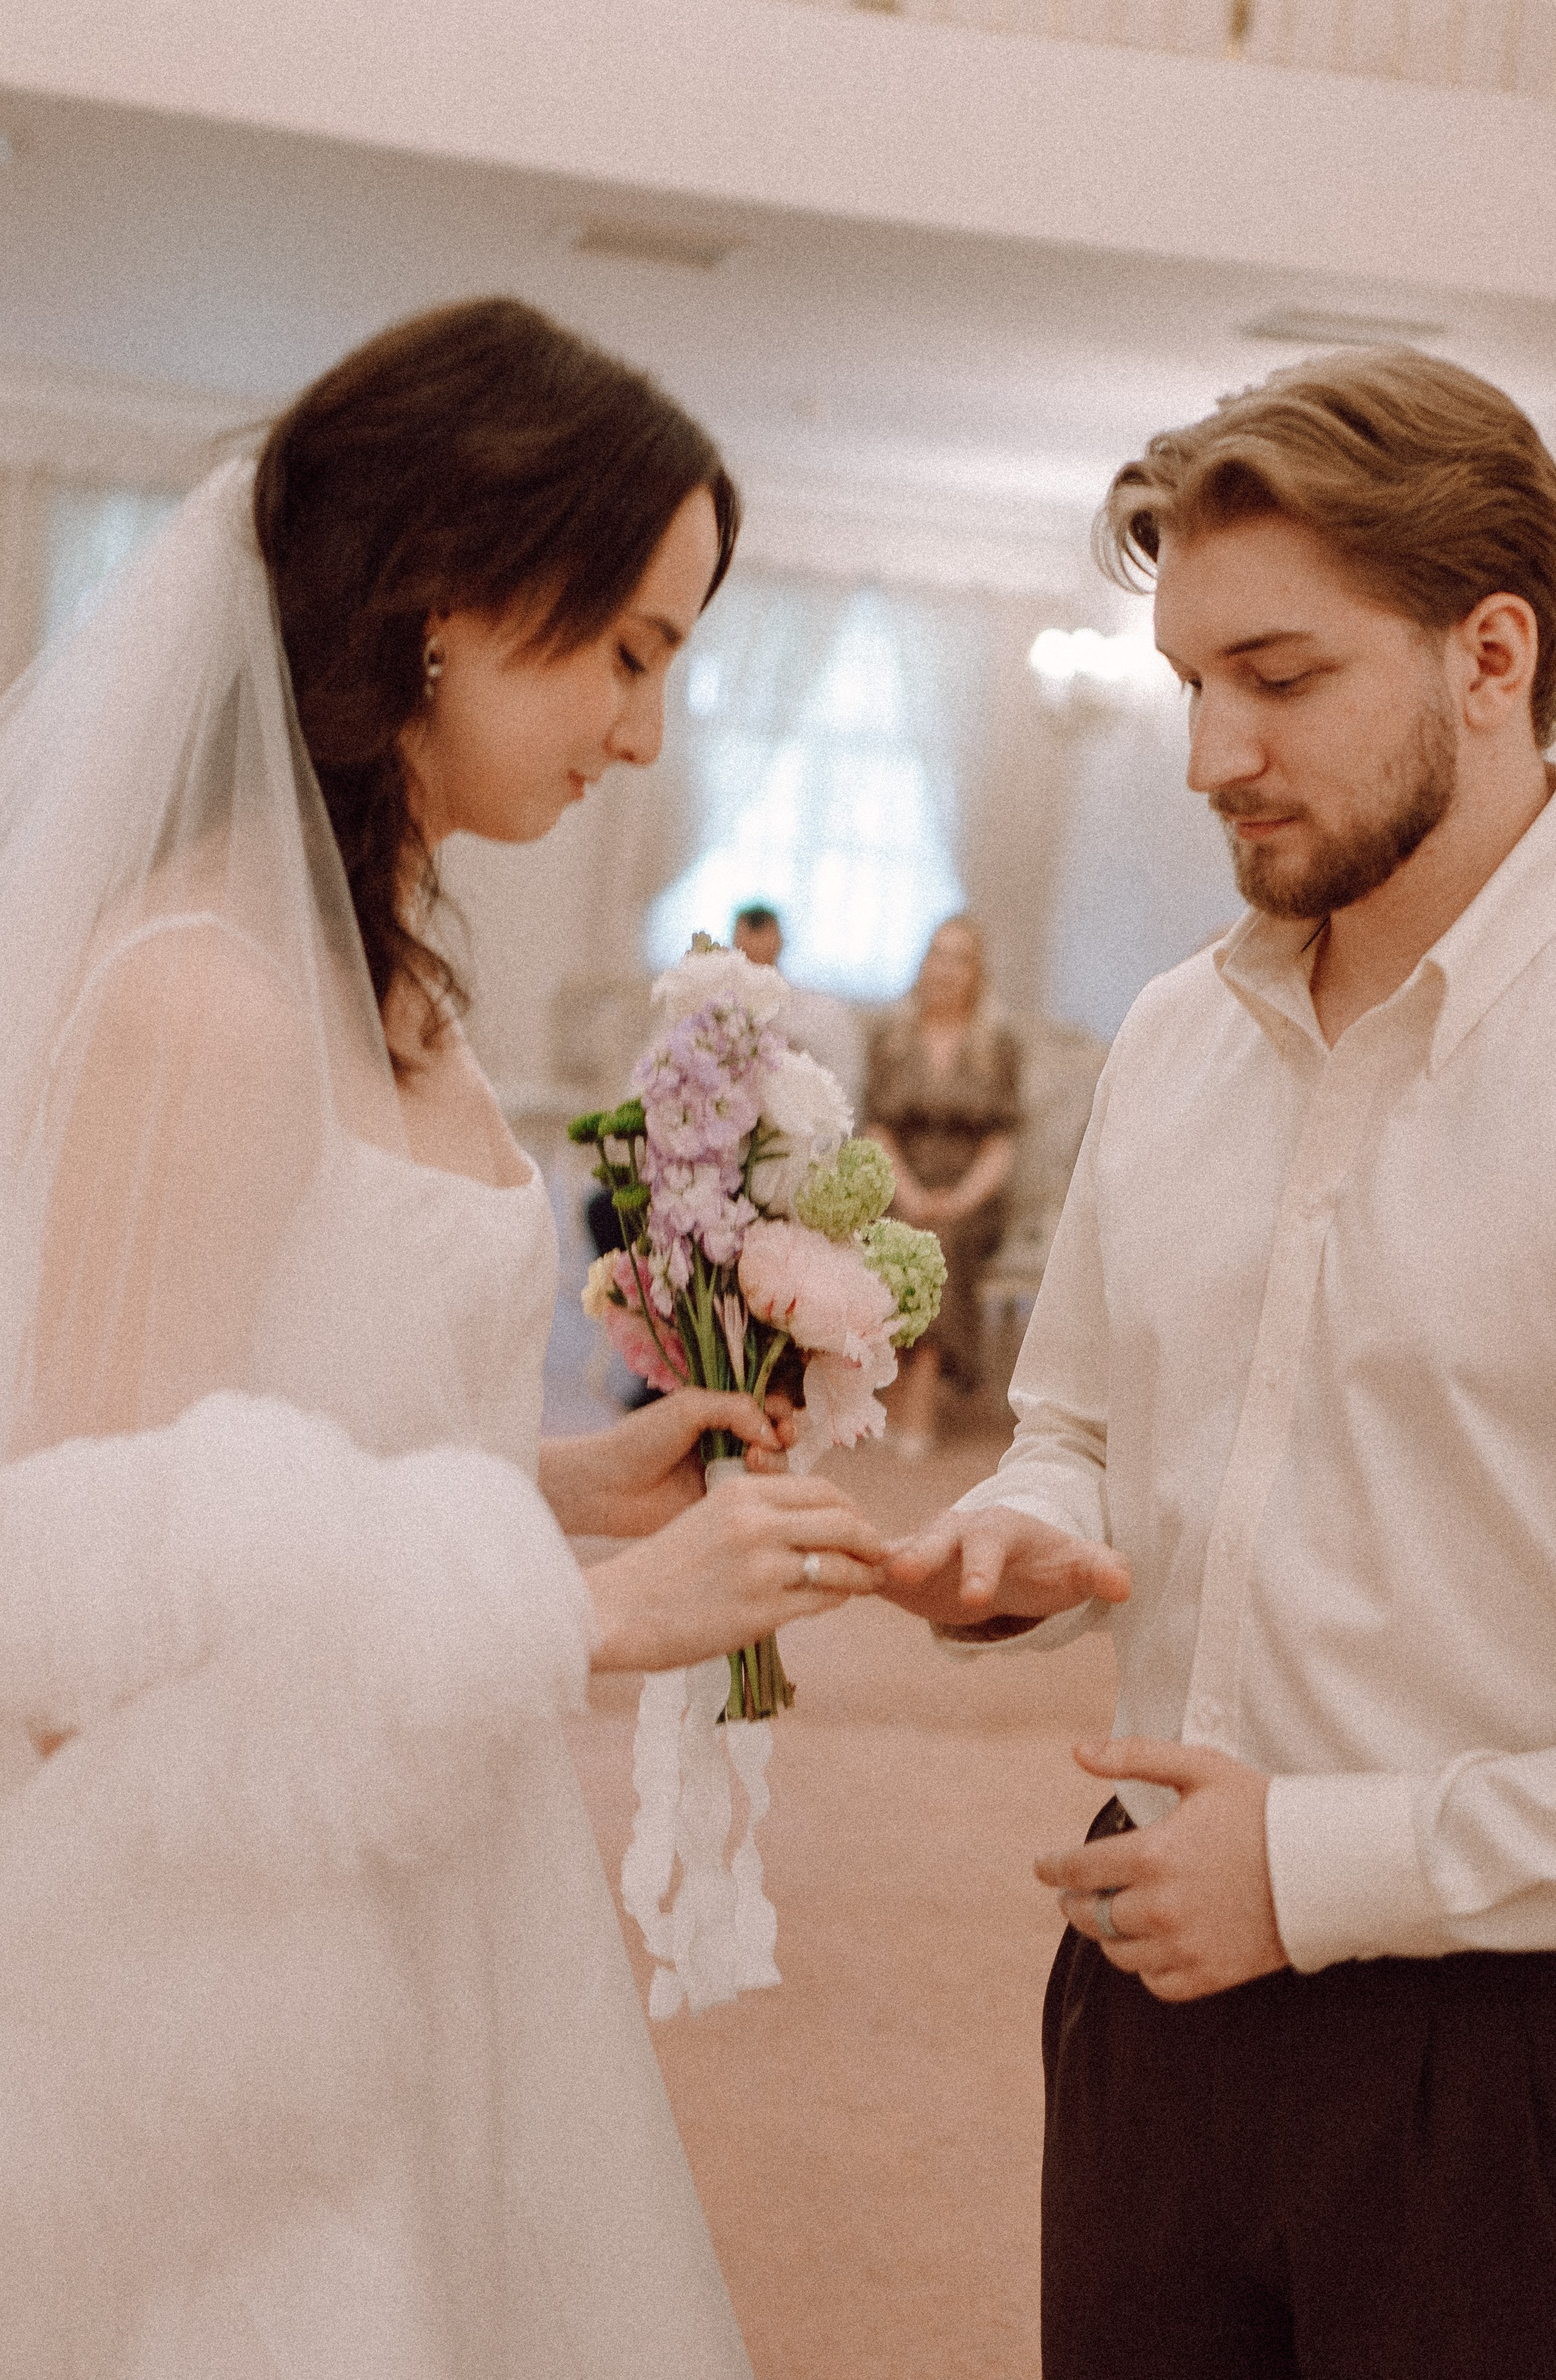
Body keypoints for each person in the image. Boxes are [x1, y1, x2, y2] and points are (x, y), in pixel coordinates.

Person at [0, 298, 883, 2376]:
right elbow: (82, 1613)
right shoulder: (205, 992)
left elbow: (308, 1424)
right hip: (218, 1960)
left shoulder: (398, 987)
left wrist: (569, 1486)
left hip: (419, 1830)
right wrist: (587, 1615)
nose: (649, 733)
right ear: (439, 607)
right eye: (631, 653)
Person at [881, 346, 1556, 2377]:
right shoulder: (1176, 1035)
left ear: (1492, 650)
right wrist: (1015, 1537)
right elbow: (1083, 1423)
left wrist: (1314, 1865)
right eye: (1190, 681)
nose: (1209, 755)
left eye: (1278, 681)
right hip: (1147, 1999)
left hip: (1515, 2051)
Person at [863, 914, 1020, 1453]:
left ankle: (923, 1390)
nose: (947, 969)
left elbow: (1001, 1143)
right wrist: (908, 1193)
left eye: (961, 958)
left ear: (978, 973)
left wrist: (959, 1199)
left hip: (973, 1194)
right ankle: (897, 1379)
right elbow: (877, 1129)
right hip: (900, 1183)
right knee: (902, 1231)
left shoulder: (998, 1045)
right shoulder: (889, 1039)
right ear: (922, 964)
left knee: (942, 1240)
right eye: (938, 954)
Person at [730, 901, 865, 1108]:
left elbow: (843, 1087)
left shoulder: (821, 1012)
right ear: (735, 943)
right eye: (750, 936)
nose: (756, 945)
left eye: (763, 934)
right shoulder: (719, 1013)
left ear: (780, 941)